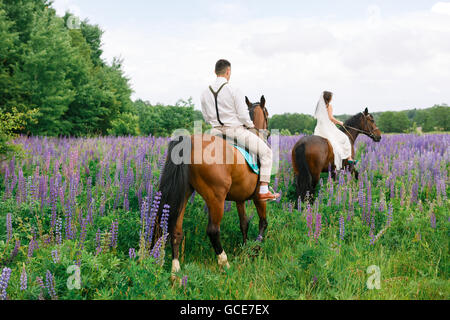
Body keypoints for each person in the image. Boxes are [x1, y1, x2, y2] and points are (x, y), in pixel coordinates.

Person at [200, 59, 280, 202]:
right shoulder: (234, 90)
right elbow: (243, 116)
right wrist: (250, 126)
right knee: (267, 152)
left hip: (214, 133)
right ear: (228, 71)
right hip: (235, 131)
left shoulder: (205, 92)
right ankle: (263, 189)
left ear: (215, 72)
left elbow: (206, 117)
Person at [313, 91, 354, 170]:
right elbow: (331, 118)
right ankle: (349, 158)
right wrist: (340, 122)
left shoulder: (319, 106)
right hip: (327, 127)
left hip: (319, 127)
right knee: (344, 138)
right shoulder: (329, 106)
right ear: (329, 98)